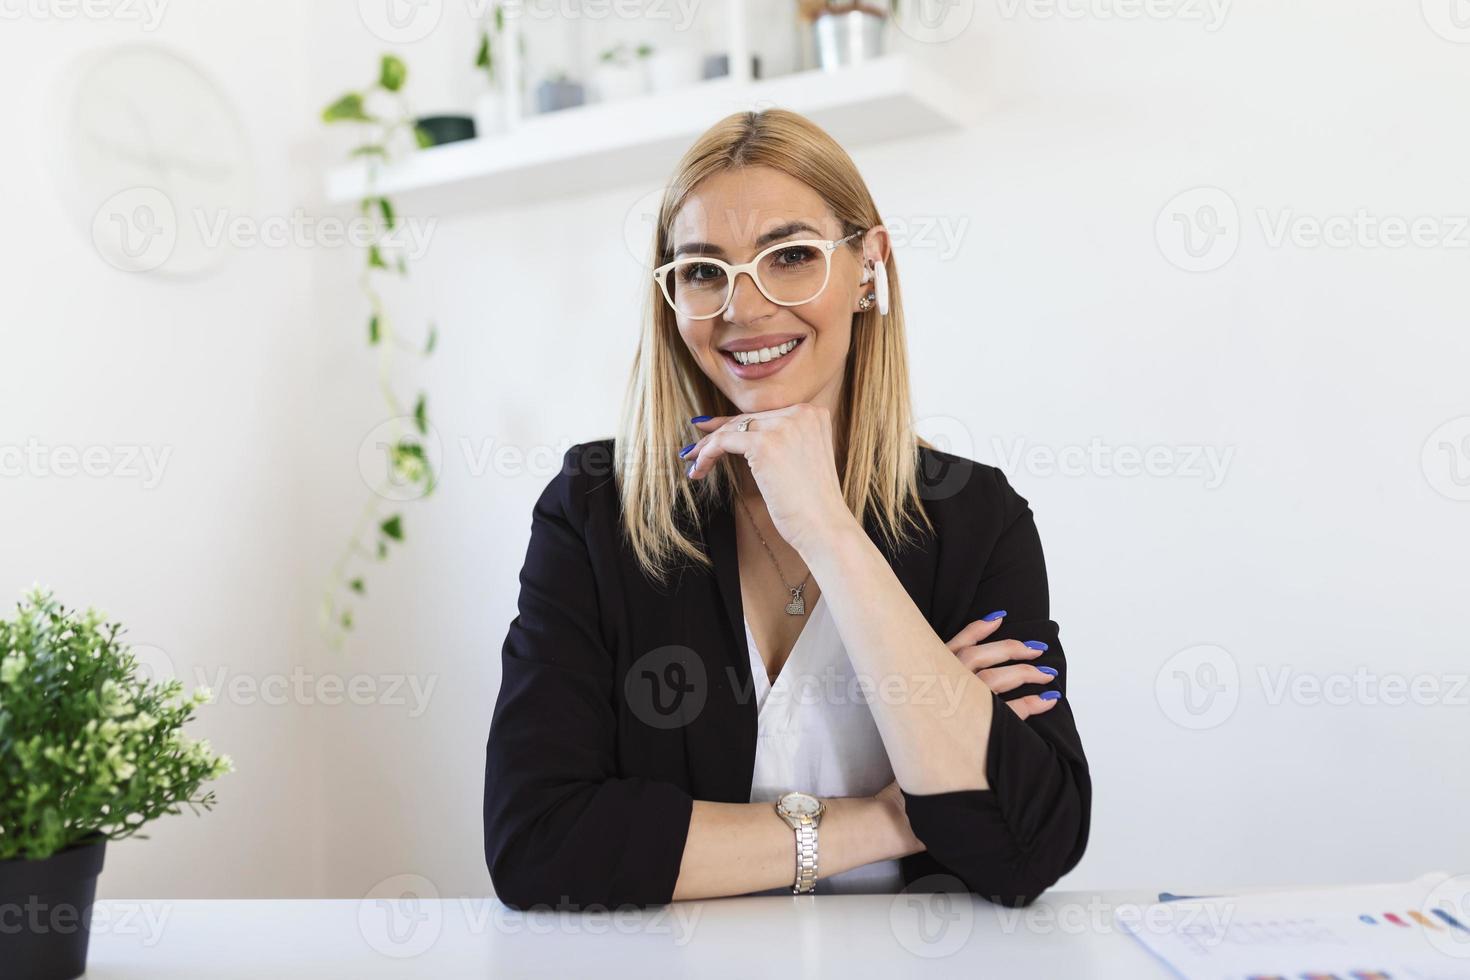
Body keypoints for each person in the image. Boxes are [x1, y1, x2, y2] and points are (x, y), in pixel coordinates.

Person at [483, 108, 1090, 909]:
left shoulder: (976, 518)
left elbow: (1029, 845)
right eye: (704, 271)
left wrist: (830, 532)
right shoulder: (596, 509)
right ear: (671, 297)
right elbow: (539, 843)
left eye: (792, 256)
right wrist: (883, 821)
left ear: (869, 266)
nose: (746, 307)